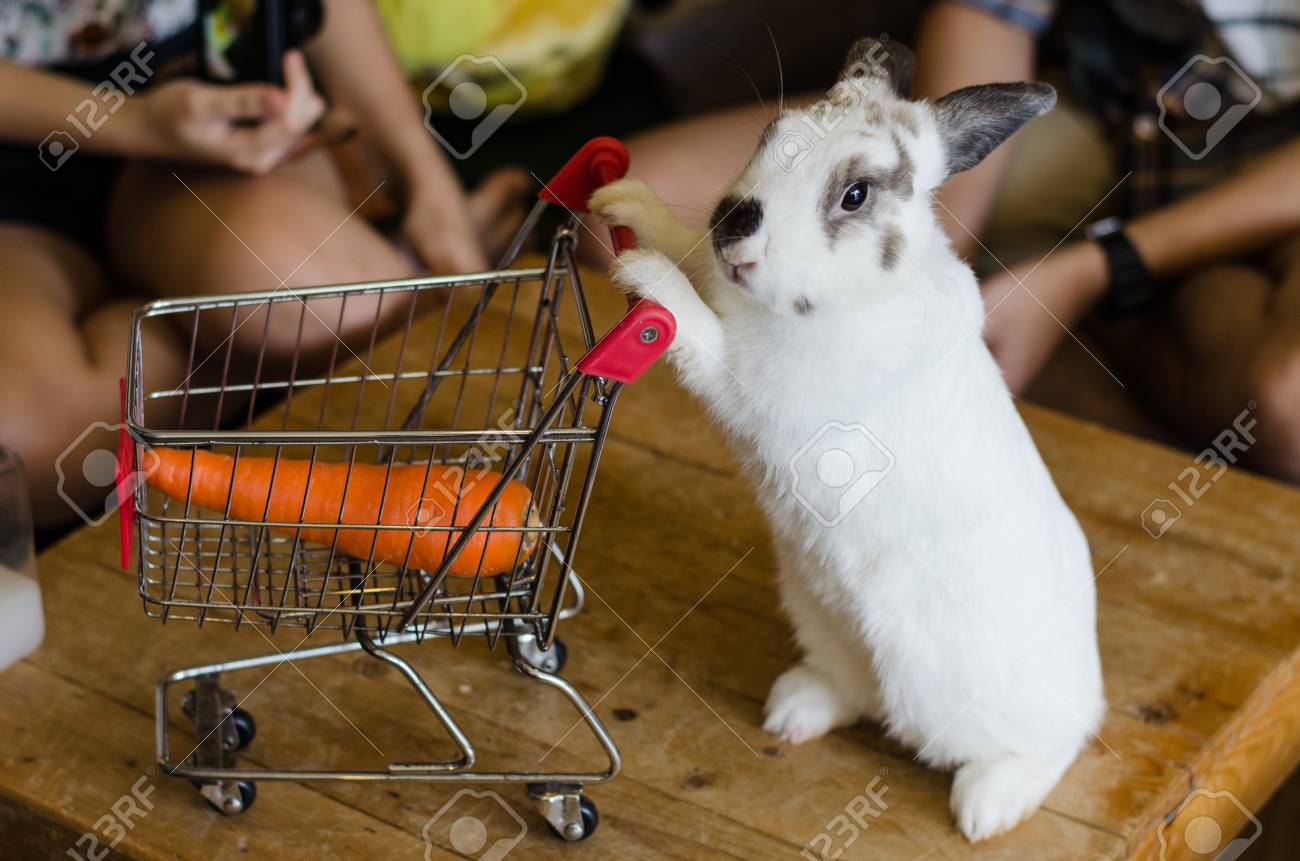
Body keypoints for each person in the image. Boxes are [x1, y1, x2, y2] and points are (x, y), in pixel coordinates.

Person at [612, 0, 1300, 483]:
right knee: (624, 207)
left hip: (1273, 167)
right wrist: (937, 238)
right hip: (1116, 108)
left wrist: (1093, 269)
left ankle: (1106, 319)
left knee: (1285, 404)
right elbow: (993, 10)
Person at [0, 1, 526, 527]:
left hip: (207, 104)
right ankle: (322, 306)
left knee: (314, 293)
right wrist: (137, 121)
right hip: (19, 161)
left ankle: (252, 311)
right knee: (22, 455)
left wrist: (429, 186)